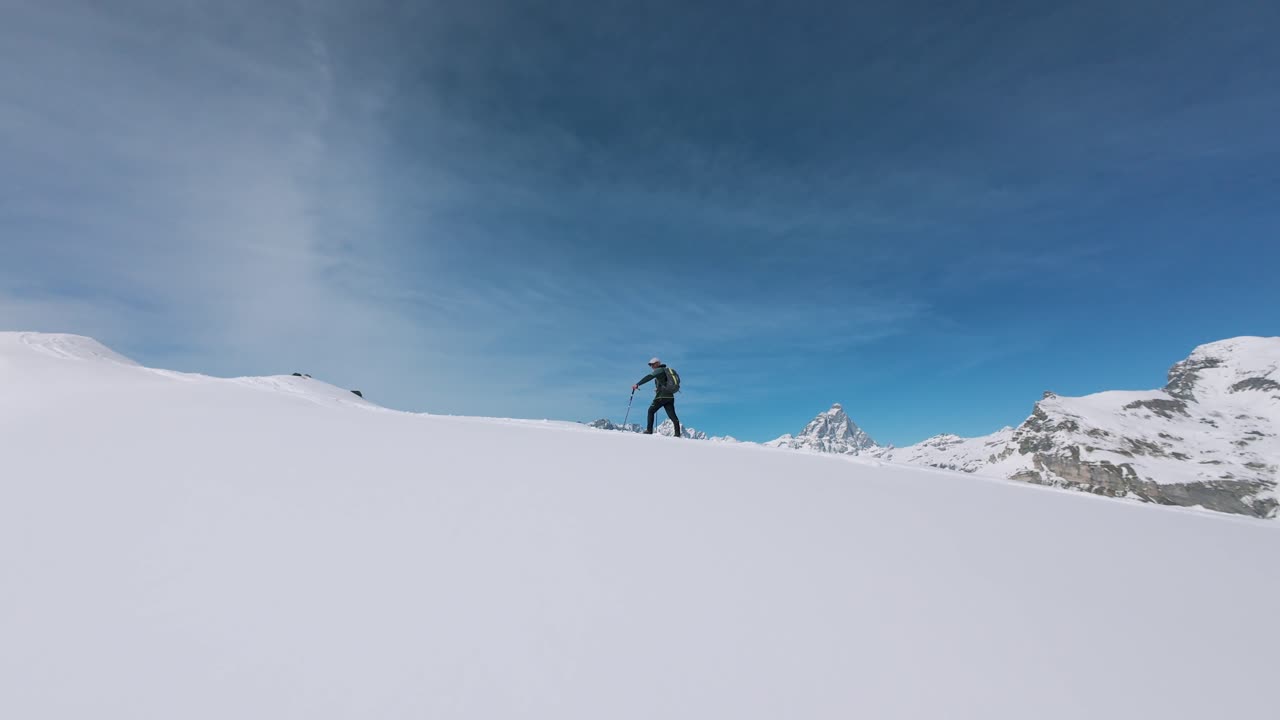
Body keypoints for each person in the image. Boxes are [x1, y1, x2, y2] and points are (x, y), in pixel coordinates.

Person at [632, 357, 681, 436]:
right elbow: (663, 383)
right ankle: (677, 434)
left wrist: (637, 384)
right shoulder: (665, 370)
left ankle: (649, 430)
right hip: (670, 397)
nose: (651, 366)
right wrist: (657, 389)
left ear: (657, 363)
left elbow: (649, 377)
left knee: (651, 411)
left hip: (661, 397)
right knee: (672, 415)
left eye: (652, 364)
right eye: (650, 365)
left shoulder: (659, 370)